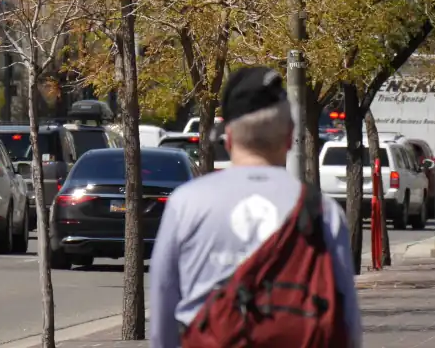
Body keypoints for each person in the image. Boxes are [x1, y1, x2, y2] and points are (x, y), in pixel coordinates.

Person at [149, 67, 362, 347]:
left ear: (228, 137)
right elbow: (347, 323)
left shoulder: (186, 204)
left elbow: (163, 314)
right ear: (289, 137)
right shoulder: (323, 212)